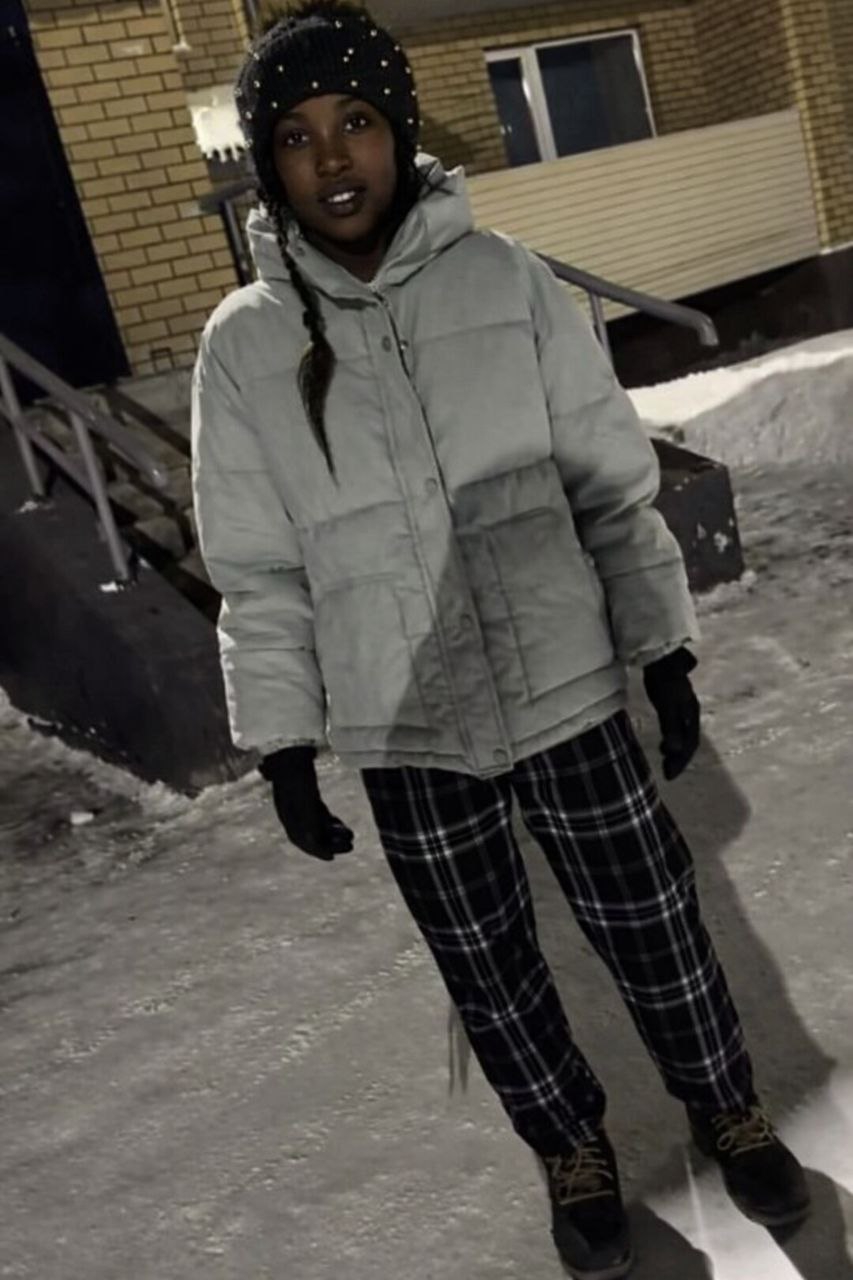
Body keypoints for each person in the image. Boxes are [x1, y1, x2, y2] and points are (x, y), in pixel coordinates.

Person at [191, 4, 809, 1276]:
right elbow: (258, 567)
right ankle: (570, 1147)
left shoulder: (505, 278)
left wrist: (662, 647)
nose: (333, 157)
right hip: (404, 722)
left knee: (655, 925)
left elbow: (607, 485)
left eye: (355, 122)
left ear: (399, 130)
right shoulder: (243, 346)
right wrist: (284, 742)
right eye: (297, 136)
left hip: (564, 687)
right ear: (268, 164)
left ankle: (726, 1105)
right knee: (487, 965)